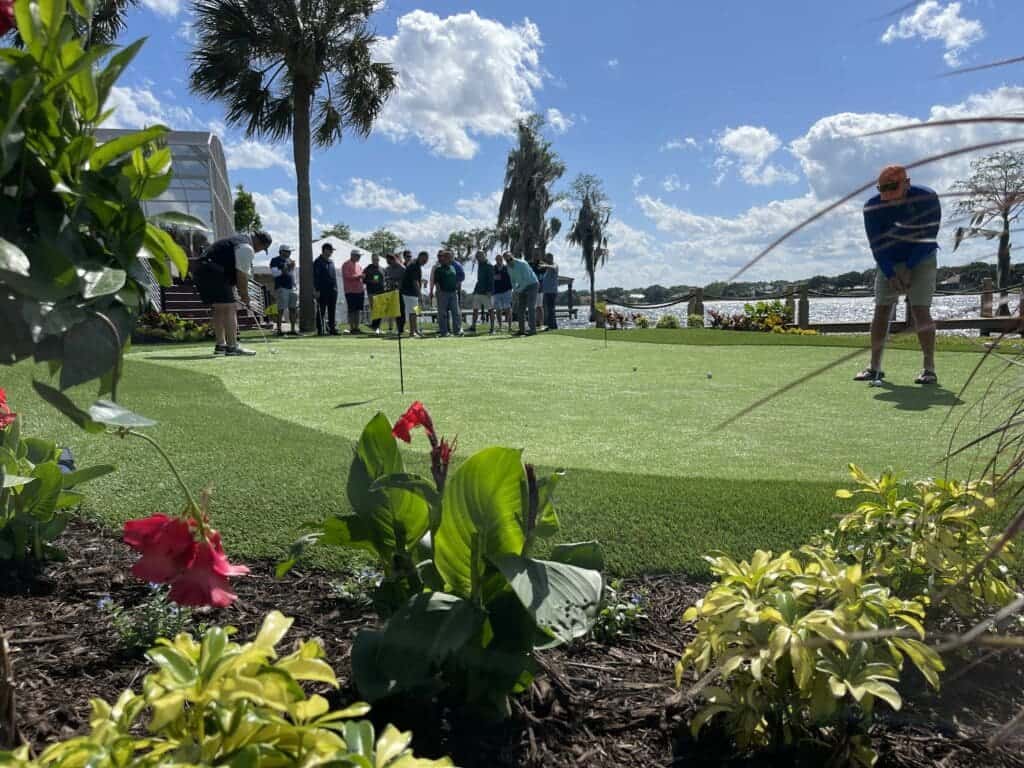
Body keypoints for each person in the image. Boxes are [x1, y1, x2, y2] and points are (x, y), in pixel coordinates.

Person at [857, 164, 941, 385]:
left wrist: (911, 268)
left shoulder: (927, 198)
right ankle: (874, 367)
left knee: (920, 309)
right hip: (889, 261)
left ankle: (929, 369)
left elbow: (929, 237)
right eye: (886, 195)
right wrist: (890, 273)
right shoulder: (872, 207)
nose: (891, 200)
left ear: (907, 183)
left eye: (895, 194)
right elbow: (876, 245)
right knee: (882, 309)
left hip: (922, 257)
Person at [193, 230, 271, 356]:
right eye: (262, 248)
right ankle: (232, 346)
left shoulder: (236, 240)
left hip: (202, 271)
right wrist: (245, 297)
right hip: (214, 272)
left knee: (219, 308)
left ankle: (221, 345)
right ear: (260, 242)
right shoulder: (246, 248)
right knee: (229, 307)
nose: (259, 251)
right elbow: (242, 276)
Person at [430, 250, 463, 337]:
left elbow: (456, 279)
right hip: (443, 293)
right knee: (443, 314)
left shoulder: (452, 268)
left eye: (449, 257)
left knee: (456, 312)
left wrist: (456, 289)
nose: (448, 259)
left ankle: (457, 331)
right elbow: (436, 283)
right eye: (446, 257)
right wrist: (439, 293)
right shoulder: (438, 269)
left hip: (453, 293)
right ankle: (444, 332)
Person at [506, 252, 540, 335]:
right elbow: (512, 280)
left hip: (532, 284)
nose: (509, 261)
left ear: (513, 257)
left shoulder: (522, 264)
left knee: (531, 307)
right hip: (522, 287)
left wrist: (518, 291)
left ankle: (533, 330)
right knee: (520, 309)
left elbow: (526, 280)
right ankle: (522, 330)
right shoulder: (508, 267)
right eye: (507, 260)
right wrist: (515, 289)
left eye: (510, 259)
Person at [269, 244, 299, 336]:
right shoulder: (275, 260)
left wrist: (295, 284)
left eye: (289, 251)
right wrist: (286, 268)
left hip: (292, 287)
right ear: (282, 251)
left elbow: (292, 274)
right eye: (287, 251)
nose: (289, 253)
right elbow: (275, 274)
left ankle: (293, 329)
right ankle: (279, 330)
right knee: (281, 309)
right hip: (281, 287)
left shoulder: (290, 260)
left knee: (293, 308)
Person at [401, 251, 429, 338]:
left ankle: (416, 330)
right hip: (410, 293)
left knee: (416, 312)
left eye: (426, 261)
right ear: (420, 257)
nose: (425, 262)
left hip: (413, 294)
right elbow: (415, 281)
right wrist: (420, 295)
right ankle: (412, 332)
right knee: (413, 312)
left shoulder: (416, 265)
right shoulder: (414, 266)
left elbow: (417, 279)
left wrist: (422, 281)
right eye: (424, 260)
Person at [313, 243, 339, 335]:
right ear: (325, 250)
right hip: (322, 290)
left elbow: (333, 276)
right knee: (321, 310)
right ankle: (320, 330)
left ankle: (332, 329)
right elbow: (315, 277)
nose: (331, 252)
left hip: (333, 290)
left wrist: (336, 289)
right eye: (330, 250)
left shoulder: (331, 262)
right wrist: (316, 290)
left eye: (332, 250)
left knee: (332, 310)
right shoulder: (317, 261)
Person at [469, 251, 495, 334]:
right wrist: (475, 290)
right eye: (477, 256)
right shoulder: (480, 265)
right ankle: (473, 326)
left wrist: (490, 291)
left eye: (479, 256)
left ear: (484, 255)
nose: (478, 258)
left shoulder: (489, 265)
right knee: (475, 310)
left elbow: (491, 280)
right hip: (478, 291)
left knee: (490, 310)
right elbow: (479, 279)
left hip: (487, 292)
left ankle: (492, 328)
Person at [341, 249, 365, 334]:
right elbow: (347, 276)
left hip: (359, 290)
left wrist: (363, 277)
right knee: (352, 310)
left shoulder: (358, 265)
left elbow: (361, 276)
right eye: (358, 256)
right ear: (353, 255)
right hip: (350, 291)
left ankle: (357, 327)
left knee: (358, 310)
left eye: (359, 256)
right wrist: (359, 276)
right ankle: (352, 328)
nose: (359, 258)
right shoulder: (346, 264)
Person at [363, 253, 386, 335]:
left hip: (381, 292)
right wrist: (371, 281)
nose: (375, 261)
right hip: (372, 292)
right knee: (375, 310)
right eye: (374, 259)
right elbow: (363, 280)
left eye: (377, 259)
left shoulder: (382, 269)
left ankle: (376, 327)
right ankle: (375, 327)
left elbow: (384, 279)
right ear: (371, 260)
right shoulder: (368, 269)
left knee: (380, 311)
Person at [384, 253, 406, 335]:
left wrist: (397, 283)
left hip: (400, 292)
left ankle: (401, 328)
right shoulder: (387, 269)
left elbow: (405, 281)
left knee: (401, 311)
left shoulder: (402, 268)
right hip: (391, 292)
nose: (388, 262)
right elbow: (385, 279)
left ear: (393, 259)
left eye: (389, 261)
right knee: (395, 311)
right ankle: (398, 327)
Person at [538, 252, 559, 330]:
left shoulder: (555, 265)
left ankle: (553, 326)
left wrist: (545, 265)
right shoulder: (547, 268)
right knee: (549, 309)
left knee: (551, 309)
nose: (546, 259)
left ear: (551, 258)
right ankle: (551, 326)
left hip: (552, 292)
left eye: (547, 258)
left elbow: (553, 267)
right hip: (546, 292)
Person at [493, 252, 513, 331]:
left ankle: (510, 326)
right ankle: (500, 327)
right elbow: (491, 279)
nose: (499, 260)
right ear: (495, 260)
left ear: (502, 260)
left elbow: (511, 277)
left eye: (500, 259)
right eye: (497, 259)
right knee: (498, 310)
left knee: (508, 308)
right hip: (496, 292)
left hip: (507, 290)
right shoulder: (493, 268)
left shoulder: (507, 267)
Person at [531, 252, 545, 328]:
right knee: (533, 307)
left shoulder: (542, 264)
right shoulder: (530, 264)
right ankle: (535, 323)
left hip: (540, 289)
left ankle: (541, 323)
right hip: (531, 289)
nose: (536, 256)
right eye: (535, 254)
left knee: (540, 307)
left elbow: (543, 274)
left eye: (537, 254)